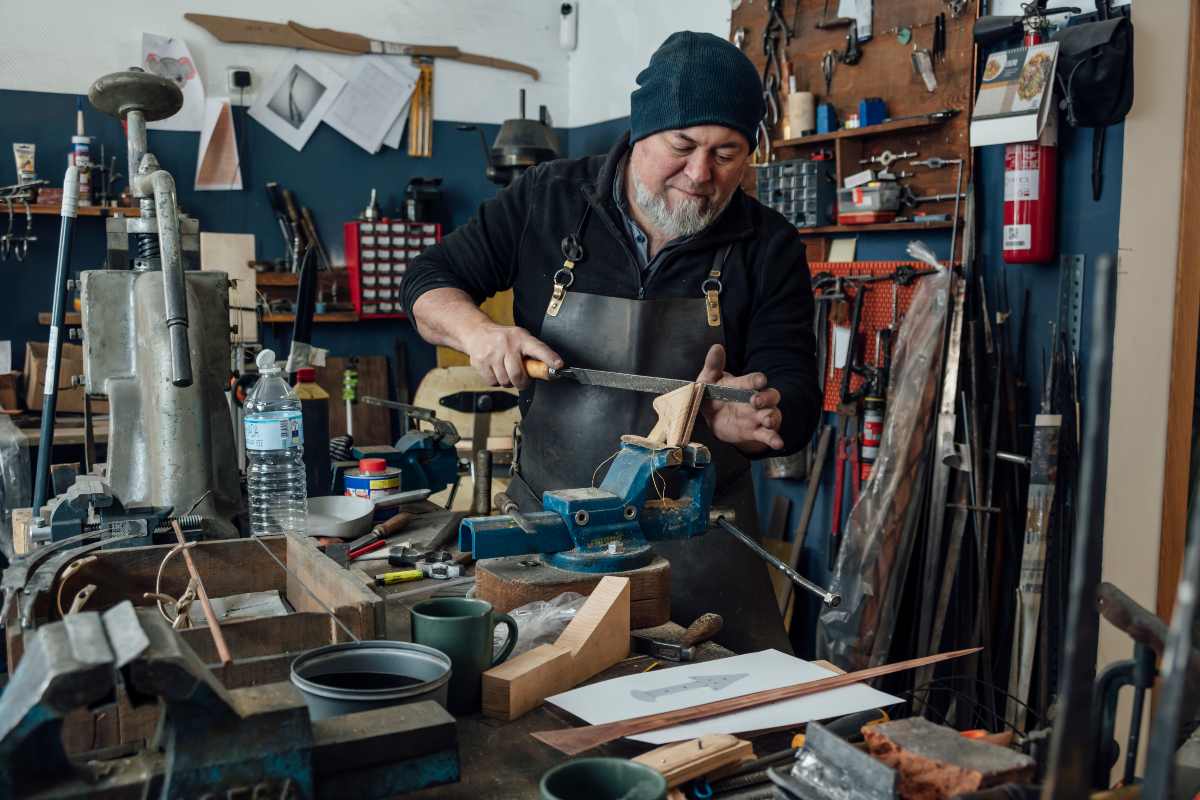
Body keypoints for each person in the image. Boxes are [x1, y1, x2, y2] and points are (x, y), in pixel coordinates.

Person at [402, 31, 821, 653]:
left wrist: (759, 414)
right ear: (640, 132)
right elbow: (427, 282)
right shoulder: (547, 199)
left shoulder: (769, 245)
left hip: (696, 538)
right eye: (682, 147)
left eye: (727, 153)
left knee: (736, 723)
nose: (701, 174)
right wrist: (480, 332)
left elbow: (796, 388)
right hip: (549, 531)